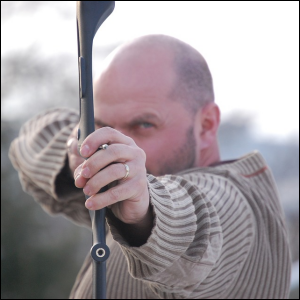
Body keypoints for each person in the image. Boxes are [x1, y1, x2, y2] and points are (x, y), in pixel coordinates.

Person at [9, 34, 291, 299]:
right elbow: (28, 142)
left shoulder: (236, 205)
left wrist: (142, 213)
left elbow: (195, 221)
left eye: (143, 125)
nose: (114, 146)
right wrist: (77, 149)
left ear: (206, 126)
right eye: (101, 127)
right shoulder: (113, 169)